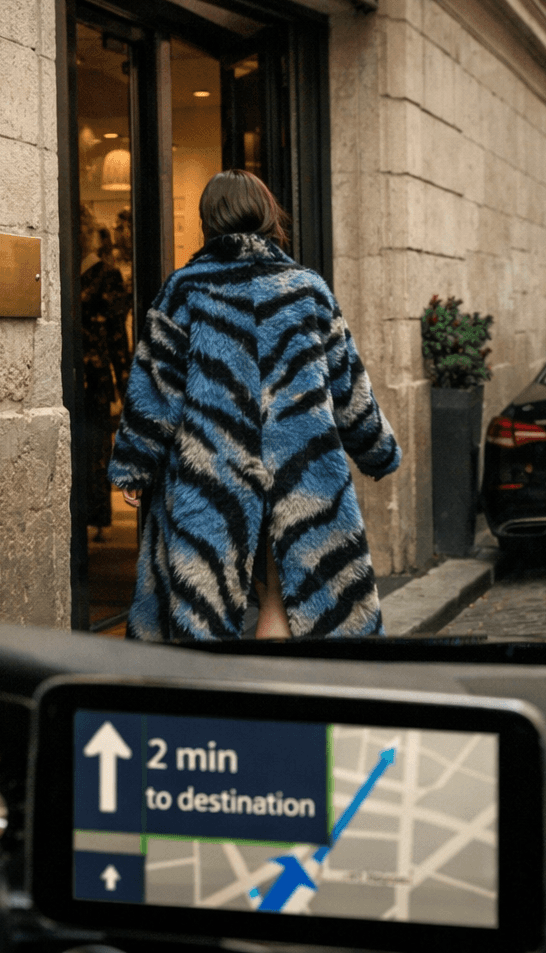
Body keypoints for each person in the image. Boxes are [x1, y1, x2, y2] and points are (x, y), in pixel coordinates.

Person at [109, 170, 401, 641]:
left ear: (209, 221)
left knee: (204, 610)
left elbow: (156, 385)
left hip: (213, 476)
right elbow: (348, 386)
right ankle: (280, 702)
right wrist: (376, 450)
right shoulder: (307, 288)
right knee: (285, 598)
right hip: (300, 473)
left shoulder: (185, 289)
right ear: (269, 217)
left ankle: (222, 704)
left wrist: (134, 464)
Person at [79, 209, 132, 539]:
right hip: (74, 372)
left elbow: (116, 335)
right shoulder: (68, 271)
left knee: (97, 447)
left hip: (96, 374)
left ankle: (98, 518)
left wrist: (124, 384)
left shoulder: (107, 275)